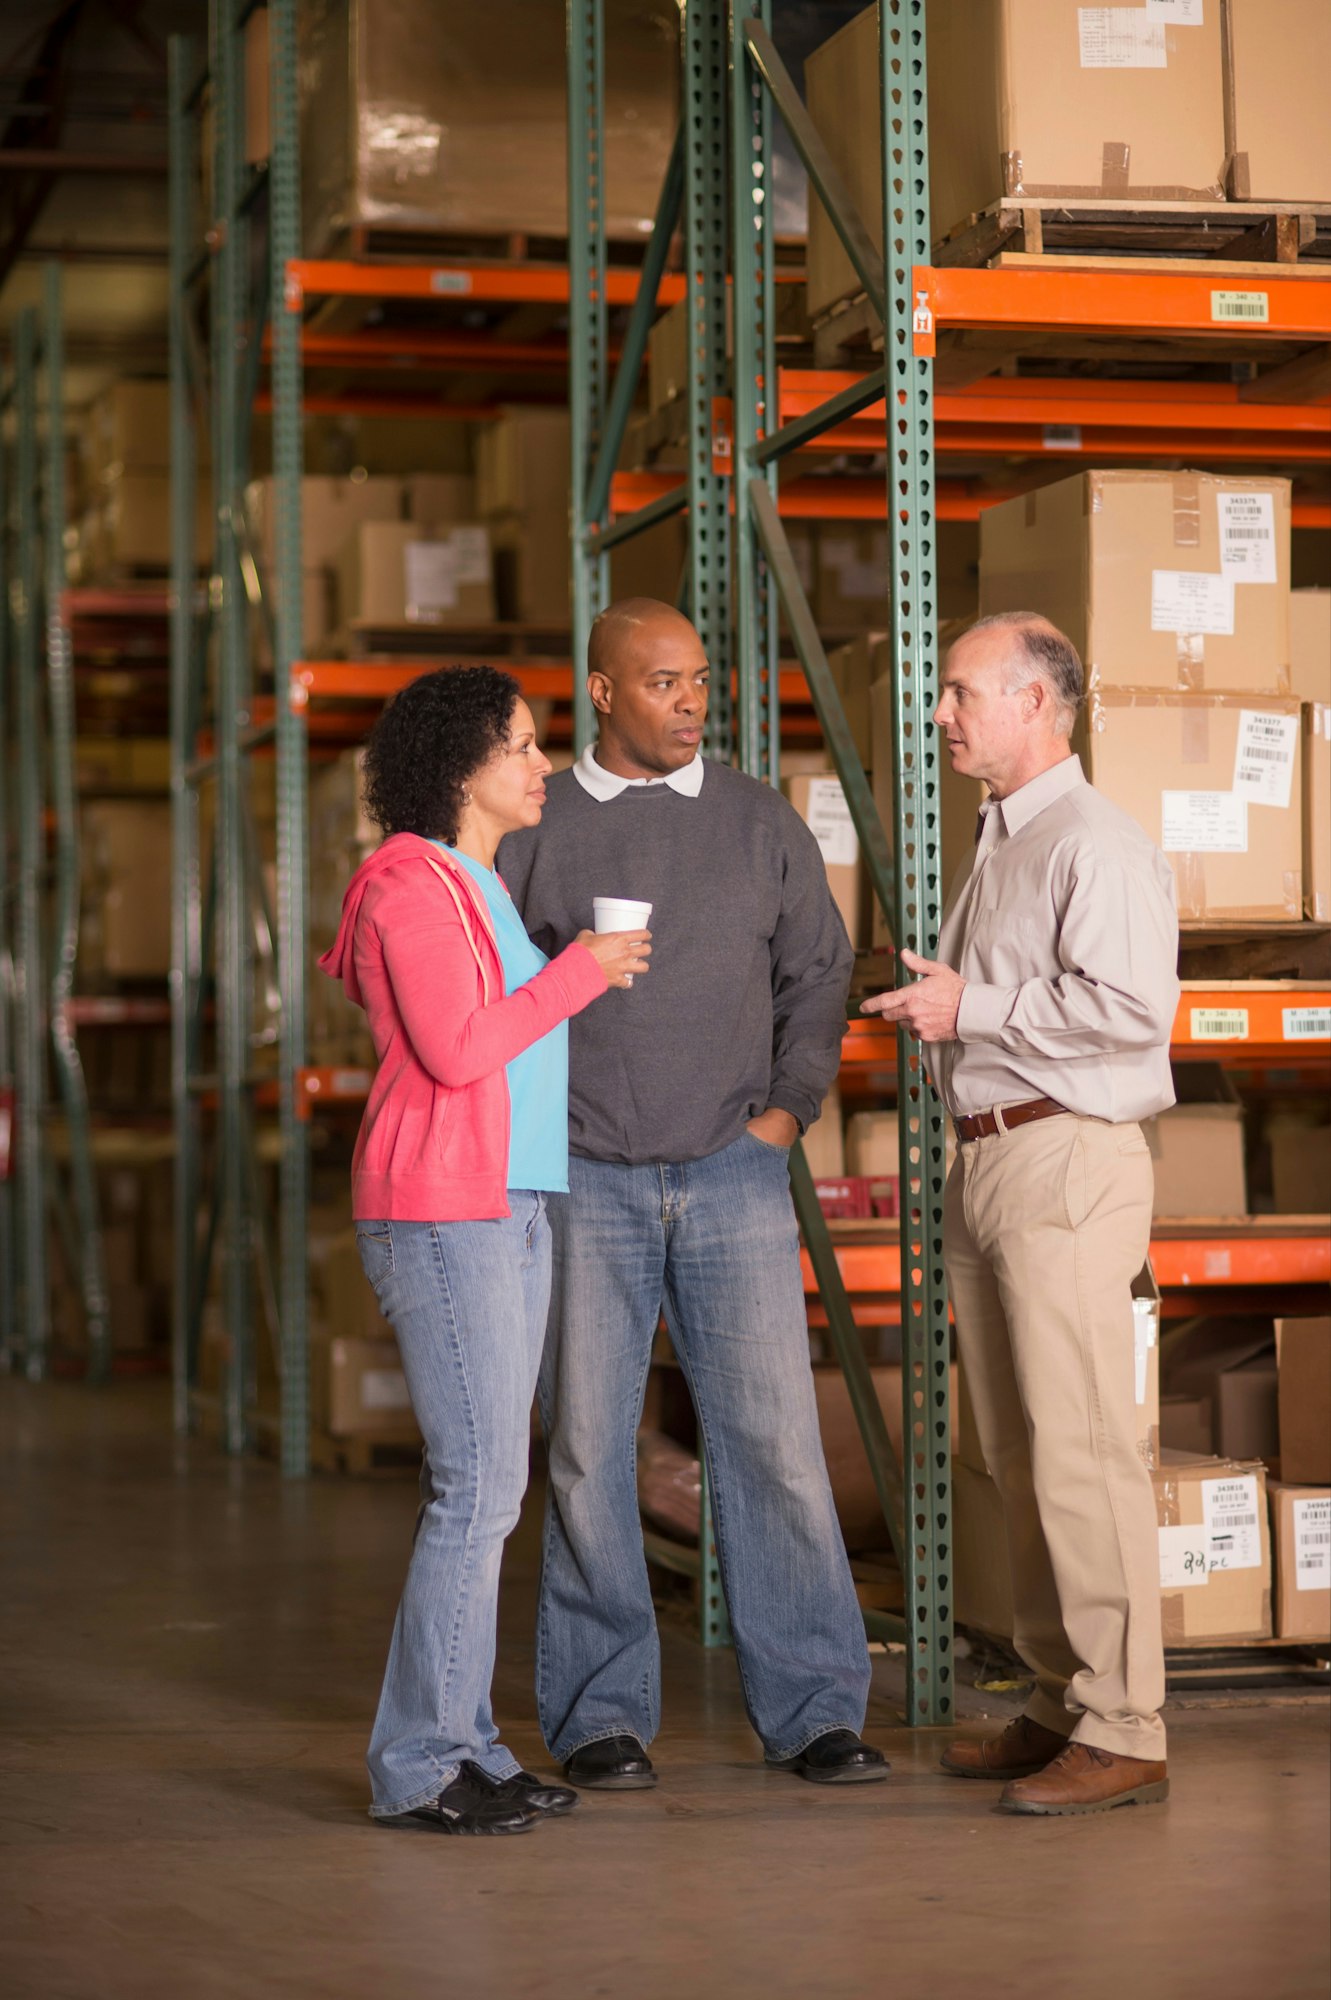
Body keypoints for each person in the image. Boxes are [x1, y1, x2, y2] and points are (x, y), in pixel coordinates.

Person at [498, 598, 887, 1791]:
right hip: (584, 1178)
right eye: (661, 682)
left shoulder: (757, 819)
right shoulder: (537, 821)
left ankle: (815, 1708)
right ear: (602, 692)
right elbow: (490, 985)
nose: (690, 702)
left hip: (730, 1172)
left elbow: (819, 971)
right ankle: (601, 1713)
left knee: (771, 1442)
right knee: (586, 1451)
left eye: (700, 680)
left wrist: (781, 1114)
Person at [318, 665, 651, 1836]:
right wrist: (579, 975)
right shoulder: (409, 880)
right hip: (439, 1201)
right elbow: (459, 1051)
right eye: (518, 744)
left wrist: (567, 976)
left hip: (504, 1198)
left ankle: (469, 1742)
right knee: (477, 1489)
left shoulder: (480, 879)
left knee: (492, 1487)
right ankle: (416, 1763)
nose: (541, 764)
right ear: (461, 767)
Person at [862, 611, 1179, 1816]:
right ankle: (1061, 1696)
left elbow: (1126, 1009)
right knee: (1016, 1448)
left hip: (1063, 1160)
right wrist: (949, 1003)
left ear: (1033, 702)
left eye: (956, 692)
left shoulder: (1092, 842)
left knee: (1083, 1446)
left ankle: (1126, 1720)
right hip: (990, 1159)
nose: (940, 712)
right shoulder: (1003, 837)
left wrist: (971, 1008)